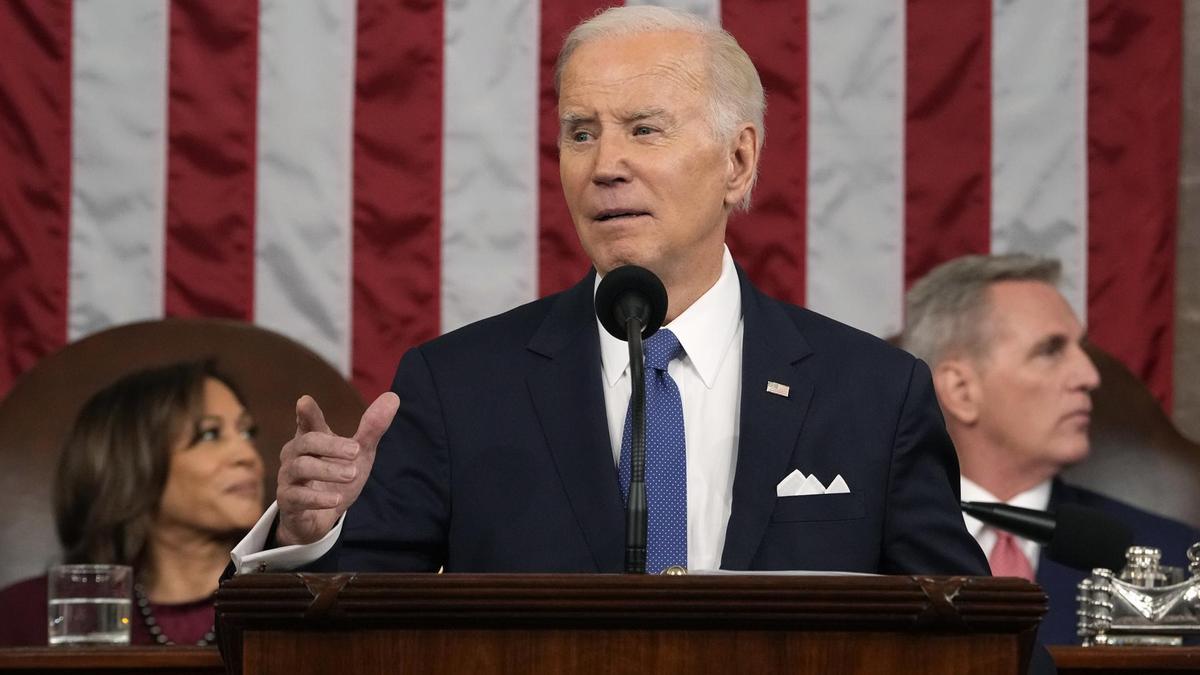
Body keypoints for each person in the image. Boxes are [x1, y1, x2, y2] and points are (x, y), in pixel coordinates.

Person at [232, 5, 987, 578]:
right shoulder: (458, 387)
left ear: (738, 160)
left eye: (645, 129)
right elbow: (339, 628)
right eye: (582, 132)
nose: (605, 166)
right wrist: (308, 535)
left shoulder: (874, 395)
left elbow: (976, 636)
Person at [902, 254, 1200, 644]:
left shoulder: (1172, 560)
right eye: (1051, 350)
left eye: (1081, 348)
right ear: (961, 390)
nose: (1089, 376)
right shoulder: (861, 552)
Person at [0, 360, 265, 646]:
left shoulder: (293, 604)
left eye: (246, 432)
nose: (247, 455)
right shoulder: (23, 617)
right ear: (131, 462)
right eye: (210, 434)